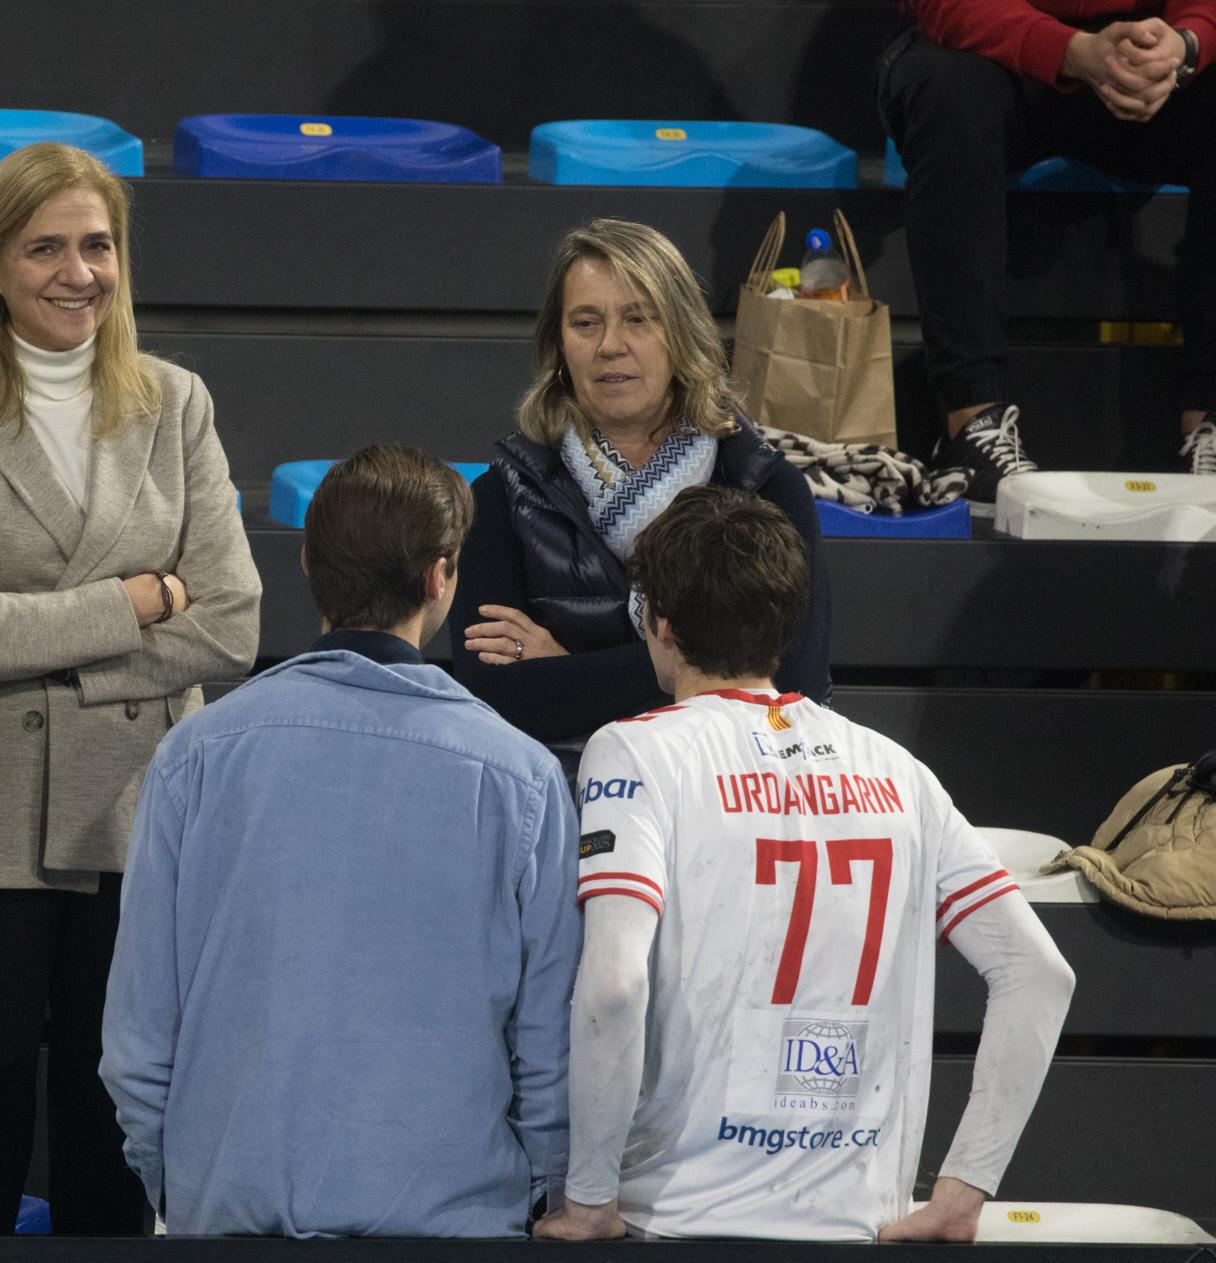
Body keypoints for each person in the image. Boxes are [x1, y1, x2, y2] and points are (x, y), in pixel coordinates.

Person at [0, 141, 261, 1235]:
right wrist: (139, 597)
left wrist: (24, 623)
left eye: (97, 247)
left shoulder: (176, 402)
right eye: (46, 248)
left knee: (114, 1148)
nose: (78, 271)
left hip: (134, 815)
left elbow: (232, 623)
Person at [533, 485, 1073, 1244]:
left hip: (681, 1222)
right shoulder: (898, 770)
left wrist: (588, 1198)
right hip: (859, 1227)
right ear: (785, 623)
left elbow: (615, 984)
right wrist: (962, 1190)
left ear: (656, 620)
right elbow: (1042, 973)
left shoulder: (637, 750)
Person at [101, 445, 580, 1237]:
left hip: (230, 1214)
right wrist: (538, 1188)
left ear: (305, 563)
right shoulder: (520, 777)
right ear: (441, 576)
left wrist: (188, 1185)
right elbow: (549, 1052)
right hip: (456, 1226)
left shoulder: (195, 754)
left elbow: (139, 1041)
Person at [449, 219, 831, 775]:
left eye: (638, 319)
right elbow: (498, 696)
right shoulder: (504, 496)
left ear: (682, 334)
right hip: (562, 804)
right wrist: (697, 670)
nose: (610, 345)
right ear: (557, 344)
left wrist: (572, 667)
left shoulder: (764, 487)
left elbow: (792, 687)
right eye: (585, 322)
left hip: (730, 794)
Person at [882, 1, 1216, 500]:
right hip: (994, 56)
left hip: (1145, 65)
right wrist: (1074, 51)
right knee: (947, 85)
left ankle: (1208, 421)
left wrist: (1183, 46)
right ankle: (973, 425)